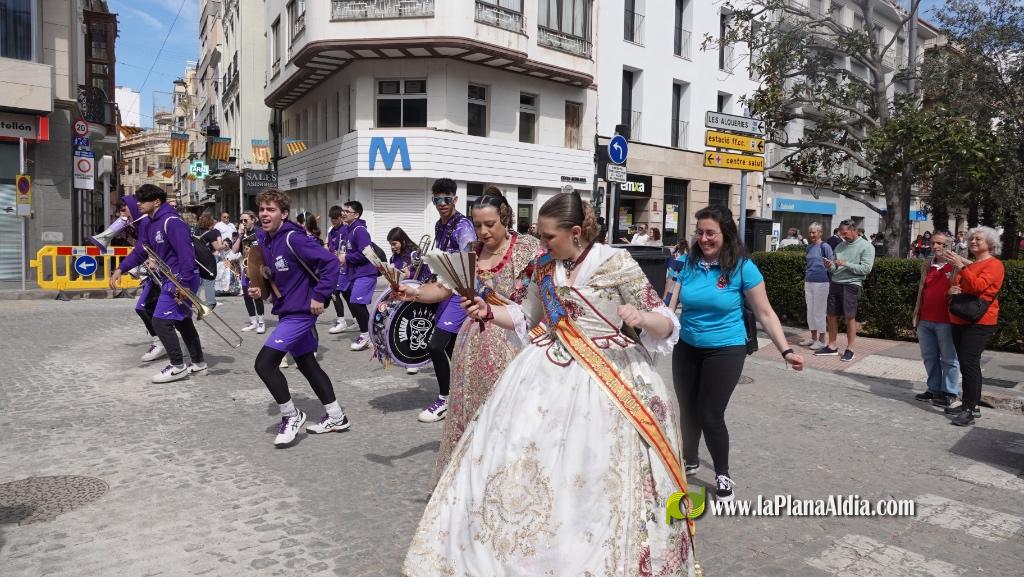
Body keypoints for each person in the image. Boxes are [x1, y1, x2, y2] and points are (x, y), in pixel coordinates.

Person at [404, 191, 698, 576]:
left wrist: (641, 318)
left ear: (575, 232)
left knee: (591, 474)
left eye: (548, 237)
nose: (540, 244)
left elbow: (664, 319)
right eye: (540, 237)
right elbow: (526, 317)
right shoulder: (545, 266)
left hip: (607, 374)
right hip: (545, 368)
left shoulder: (615, 262)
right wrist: (488, 312)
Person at [394, 191, 541, 486]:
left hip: (514, 344)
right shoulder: (470, 252)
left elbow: (537, 305)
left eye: (490, 224)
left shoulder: (528, 249)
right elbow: (443, 288)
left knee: (508, 416)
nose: (484, 231)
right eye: (478, 224)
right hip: (473, 344)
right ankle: (469, 481)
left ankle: (507, 480)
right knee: (471, 414)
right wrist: (412, 292)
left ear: (505, 219)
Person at [668, 206, 804, 503]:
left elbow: (765, 313)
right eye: (700, 232)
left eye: (710, 233)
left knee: (710, 413)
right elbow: (667, 307)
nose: (704, 238)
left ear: (726, 234)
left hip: (726, 348)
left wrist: (787, 350)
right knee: (688, 409)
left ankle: (722, 472)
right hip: (687, 345)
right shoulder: (683, 264)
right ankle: (689, 459)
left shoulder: (742, 267)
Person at [248, 188, 349, 445]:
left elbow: (330, 263)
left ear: (283, 213)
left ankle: (291, 416)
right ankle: (336, 416)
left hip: (300, 313)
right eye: (262, 209)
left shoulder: (293, 238)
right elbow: (276, 276)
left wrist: (320, 295)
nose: (264, 214)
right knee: (307, 363)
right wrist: (261, 288)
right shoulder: (267, 240)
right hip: (287, 312)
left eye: (271, 210)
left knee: (264, 364)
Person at [110, 184, 206, 383]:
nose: (138, 204)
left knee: (160, 321)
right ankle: (198, 363)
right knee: (182, 321)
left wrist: (185, 286)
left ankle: (178, 366)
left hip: (181, 278)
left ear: (156, 202)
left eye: (142, 200)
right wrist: (121, 268)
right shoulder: (150, 223)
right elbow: (140, 251)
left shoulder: (172, 222)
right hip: (171, 277)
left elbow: (187, 255)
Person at [415, 178, 477, 423]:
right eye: (437, 199)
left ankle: (444, 398)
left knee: (436, 345)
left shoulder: (464, 226)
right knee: (451, 346)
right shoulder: (439, 225)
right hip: (443, 289)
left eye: (447, 199)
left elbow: (467, 261)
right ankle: (465, 390)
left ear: (455, 199)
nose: (442, 203)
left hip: (459, 290)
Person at [943, 226, 1005, 427]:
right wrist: (951, 291)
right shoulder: (971, 264)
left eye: (978, 239)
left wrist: (961, 266)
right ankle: (970, 405)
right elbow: (961, 287)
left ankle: (970, 408)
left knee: (970, 364)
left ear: (990, 243)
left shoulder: (994, 265)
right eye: (971, 239)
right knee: (965, 363)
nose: (973, 242)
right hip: (959, 318)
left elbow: (978, 286)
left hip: (979, 321)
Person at [110, 194, 164, 362]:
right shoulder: (140, 223)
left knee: (149, 308)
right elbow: (141, 249)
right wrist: (121, 267)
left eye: (124, 210)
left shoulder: (147, 221)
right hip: (156, 272)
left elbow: (147, 247)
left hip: (165, 271)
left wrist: (154, 258)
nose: (122, 215)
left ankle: (165, 344)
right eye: (120, 212)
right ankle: (163, 341)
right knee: (146, 308)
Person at [911, 232, 961, 408]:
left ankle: (950, 392)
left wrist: (959, 262)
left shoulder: (956, 265)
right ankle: (934, 389)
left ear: (949, 246)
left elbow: (975, 268)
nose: (936, 246)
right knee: (929, 357)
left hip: (946, 320)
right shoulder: (927, 264)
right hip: (925, 319)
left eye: (940, 243)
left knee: (949, 358)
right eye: (933, 243)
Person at [815, 220, 875, 361]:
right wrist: (829, 265)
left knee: (850, 317)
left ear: (854, 230)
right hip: (835, 282)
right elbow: (836, 268)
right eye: (841, 234)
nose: (843, 237)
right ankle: (832, 347)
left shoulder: (866, 246)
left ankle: (850, 349)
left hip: (852, 284)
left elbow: (866, 269)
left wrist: (846, 263)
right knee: (831, 315)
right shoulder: (840, 246)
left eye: (845, 233)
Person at [336, 201, 377, 351]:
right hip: (354, 273)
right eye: (343, 210)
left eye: (347, 211)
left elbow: (365, 253)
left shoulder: (359, 230)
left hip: (366, 273)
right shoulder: (348, 229)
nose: (343, 213)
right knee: (354, 301)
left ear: (356, 215)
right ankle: (370, 335)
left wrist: (346, 258)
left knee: (355, 303)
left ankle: (366, 335)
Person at [800, 222, 833, 351]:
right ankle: (813, 338)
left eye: (814, 232)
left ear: (820, 233)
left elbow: (831, 263)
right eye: (810, 232)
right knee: (810, 311)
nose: (812, 235)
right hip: (809, 281)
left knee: (819, 311)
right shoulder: (809, 247)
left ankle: (822, 340)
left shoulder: (825, 246)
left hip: (822, 282)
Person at [233, 210, 266, 334]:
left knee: (256, 294)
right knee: (247, 296)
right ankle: (253, 322)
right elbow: (234, 250)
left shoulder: (259, 232)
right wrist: (240, 235)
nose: (243, 223)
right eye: (241, 220)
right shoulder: (241, 234)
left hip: (256, 268)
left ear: (253, 219)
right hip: (245, 269)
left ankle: (261, 322)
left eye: (245, 220)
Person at [325, 205, 352, 335]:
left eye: (336, 218)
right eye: (332, 219)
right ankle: (353, 320)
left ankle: (342, 321)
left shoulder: (346, 230)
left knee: (336, 293)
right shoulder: (332, 232)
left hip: (346, 268)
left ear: (341, 217)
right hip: (336, 267)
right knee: (345, 294)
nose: (333, 221)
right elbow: (330, 247)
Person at [196, 212, 223, 309]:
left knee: (198, 281)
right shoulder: (210, 233)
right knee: (209, 280)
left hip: (197, 259)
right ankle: (210, 301)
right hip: (207, 260)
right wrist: (225, 245)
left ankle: (195, 300)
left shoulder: (196, 231)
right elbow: (217, 247)